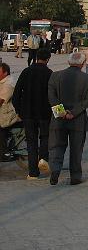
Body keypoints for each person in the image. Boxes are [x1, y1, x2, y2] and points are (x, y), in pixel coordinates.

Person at [47, 51, 88, 185]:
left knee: (56, 146)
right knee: (76, 149)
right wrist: (73, 113)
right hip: (78, 119)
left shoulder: (55, 76)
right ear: (83, 64)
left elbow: (51, 97)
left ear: (69, 62)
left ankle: (55, 171)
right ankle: (75, 176)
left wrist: (62, 112)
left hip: (58, 119)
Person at [12, 48, 53, 179]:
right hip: (44, 113)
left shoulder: (26, 71)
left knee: (31, 142)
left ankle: (33, 173)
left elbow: (16, 94)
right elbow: (54, 96)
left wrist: (19, 111)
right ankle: (43, 159)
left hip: (28, 113)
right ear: (48, 59)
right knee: (45, 137)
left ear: (36, 58)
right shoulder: (50, 73)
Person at [0, 63, 22, 163]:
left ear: (5, 72)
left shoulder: (8, 84)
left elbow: (1, 100)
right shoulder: (4, 81)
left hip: (7, 114)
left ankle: (4, 153)